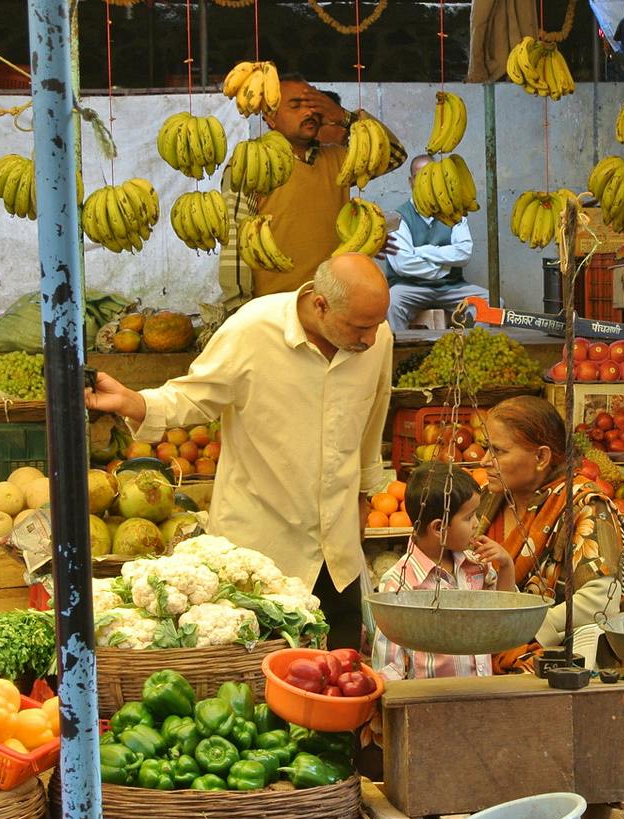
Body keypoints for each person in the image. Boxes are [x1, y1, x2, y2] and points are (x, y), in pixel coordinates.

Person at [85, 253, 393, 649]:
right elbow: (192, 397)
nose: (369, 339)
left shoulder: (375, 339)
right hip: (260, 559)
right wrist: (131, 401)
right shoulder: (252, 329)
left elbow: (373, 418)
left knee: (341, 684)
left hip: (337, 559)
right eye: (360, 327)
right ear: (320, 304)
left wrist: (365, 495)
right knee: (263, 693)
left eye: (377, 326)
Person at [475, 395, 624, 672]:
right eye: (486, 449)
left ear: (541, 457)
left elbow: (602, 600)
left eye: (498, 452)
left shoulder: (585, 506)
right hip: (482, 642)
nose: (485, 461)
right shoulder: (488, 501)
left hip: (552, 652)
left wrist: (528, 628)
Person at [219, 75, 406, 311]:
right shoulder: (251, 163)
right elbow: (234, 239)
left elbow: (395, 154)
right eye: (296, 105)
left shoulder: (339, 159)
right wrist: (238, 308)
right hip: (274, 307)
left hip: (333, 303)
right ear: (270, 118)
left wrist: (344, 117)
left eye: (313, 104)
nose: (309, 112)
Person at [372, 462, 515, 680]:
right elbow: (389, 666)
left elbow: (504, 614)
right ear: (439, 528)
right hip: (432, 702)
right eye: (469, 517)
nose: (477, 523)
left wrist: (506, 566)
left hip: (483, 692)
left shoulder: (476, 564)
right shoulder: (399, 583)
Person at [383, 154, 489, 334]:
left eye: (431, 176)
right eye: (420, 177)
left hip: (451, 288)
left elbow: (464, 253)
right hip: (409, 287)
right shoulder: (397, 217)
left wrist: (422, 251)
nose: (426, 182)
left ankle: (475, 353)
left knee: (492, 303)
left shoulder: (453, 213)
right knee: (392, 303)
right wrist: (446, 266)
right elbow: (403, 265)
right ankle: (401, 357)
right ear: (410, 182)